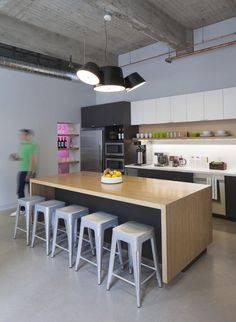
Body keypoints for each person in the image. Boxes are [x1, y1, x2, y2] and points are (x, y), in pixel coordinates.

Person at [9, 129, 39, 217]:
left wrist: (30, 173)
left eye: (22, 135)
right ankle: (23, 209)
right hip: (22, 171)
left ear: (27, 135)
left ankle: (32, 210)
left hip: (28, 171)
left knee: (32, 192)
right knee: (20, 191)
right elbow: (22, 157)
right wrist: (15, 157)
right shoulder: (21, 145)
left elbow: (33, 160)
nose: (20, 136)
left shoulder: (32, 145)